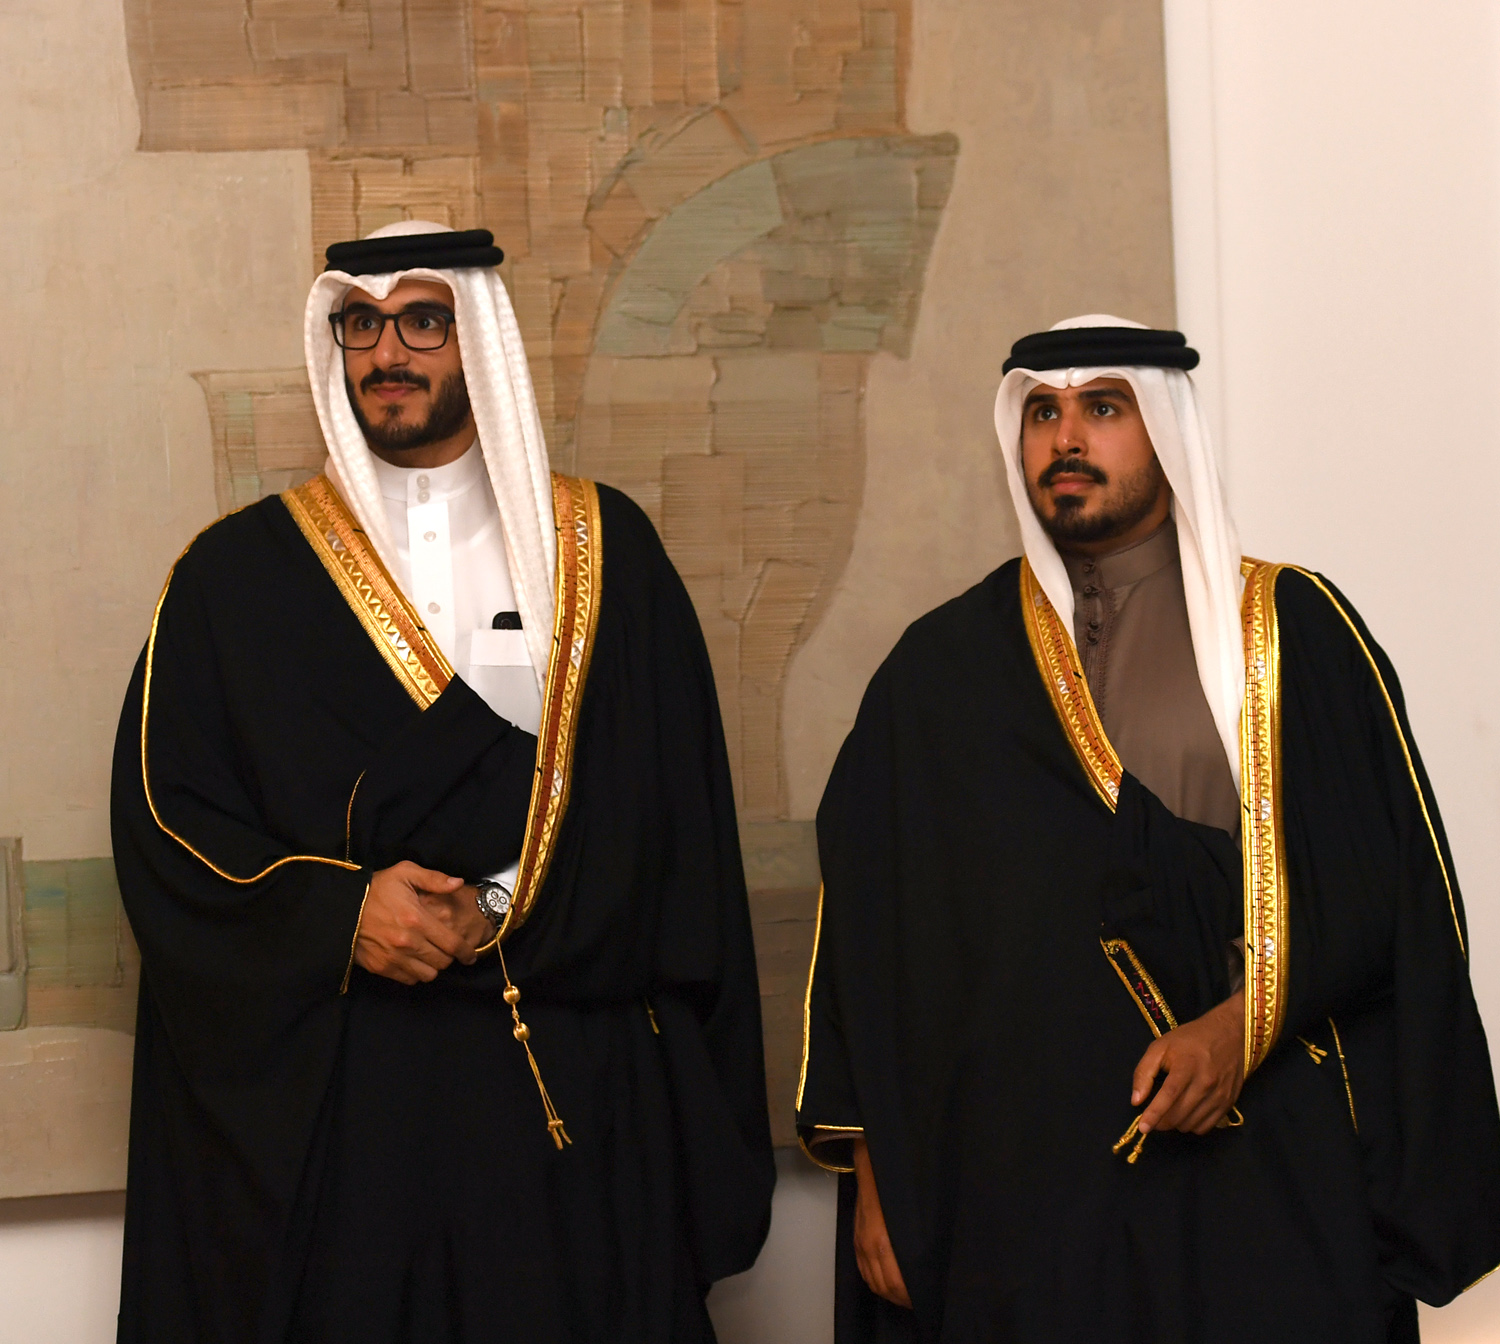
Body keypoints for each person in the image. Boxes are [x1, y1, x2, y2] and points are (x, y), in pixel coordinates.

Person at [111, 222, 773, 1343]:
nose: (388, 353)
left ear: (482, 336)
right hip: (350, 1121)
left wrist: (502, 907)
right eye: (361, 324)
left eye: (424, 320)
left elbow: (674, 830)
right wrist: (340, 915)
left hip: (565, 1104)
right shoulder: (234, 579)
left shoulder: (604, 555)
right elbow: (167, 828)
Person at [796, 315, 1500, 1342]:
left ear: (1165, 429)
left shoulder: (1290, 632)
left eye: (1102, 407)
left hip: (1265, 1162)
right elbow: (870, 943)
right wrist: (878, 1181)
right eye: (1043, 413)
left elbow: (1386, 898)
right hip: (1023, 1197)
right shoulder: (938, 672)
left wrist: (1238, 1030)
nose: (1066, 439)